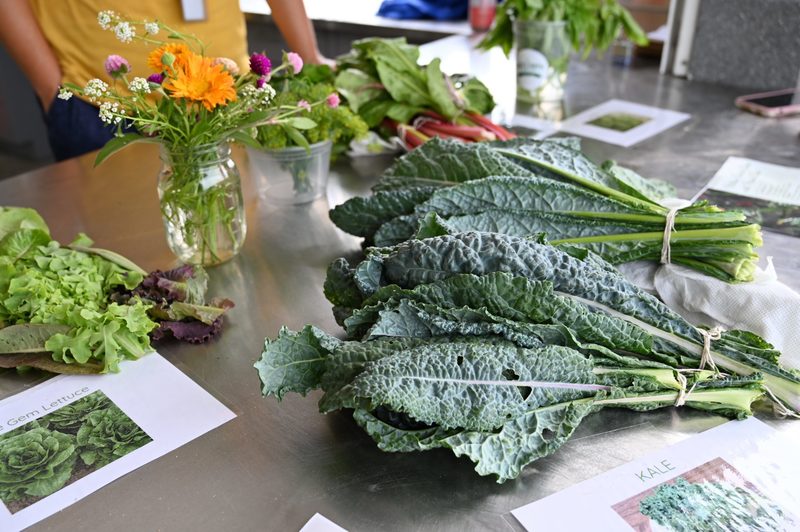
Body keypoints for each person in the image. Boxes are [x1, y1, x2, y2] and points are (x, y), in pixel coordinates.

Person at [0, 0, 330, 161]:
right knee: (124, 270)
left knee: (233, 244)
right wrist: (50, 89)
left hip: (229, 99)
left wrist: (310, 57)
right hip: (102, 106)